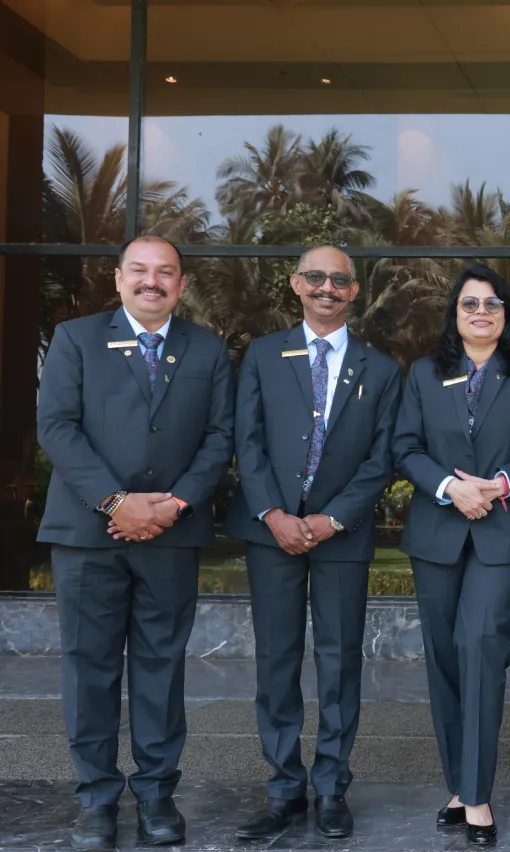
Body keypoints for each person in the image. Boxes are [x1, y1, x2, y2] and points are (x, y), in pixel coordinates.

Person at [36, 235, 235, 850]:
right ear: (118, 278)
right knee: (89, 668)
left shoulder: (208, 348)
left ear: (181, 283)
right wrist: (115, 501)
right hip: (88, 534)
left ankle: (156, 794)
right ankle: (97, 797)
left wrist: (173, 506)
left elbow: (219, 436)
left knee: (160, 668)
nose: (153, 281)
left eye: (165, 272)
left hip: (171, 535)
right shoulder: (74, 339)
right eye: (140, 270)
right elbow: (56, 427)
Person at [226, 246, 402, 840]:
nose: (327, 287)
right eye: (316, 277)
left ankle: (331, 787)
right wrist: (273, 513)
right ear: (296, 284)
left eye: (339, 280)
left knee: (340, 661)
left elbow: (382, 458)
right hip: (270, 532)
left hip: (341, 536)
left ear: (354, 291)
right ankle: (283, 788)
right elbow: (246, 440)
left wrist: (335, 518)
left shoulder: (381, 370)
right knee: (276, 661)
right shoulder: (262, 354)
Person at [393, 263, 510, 846]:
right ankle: (459, 786)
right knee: (444, 659)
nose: (481, 313)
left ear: (506, 315)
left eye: (492, 304)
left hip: (502, 531)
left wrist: (501, 484)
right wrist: (449, 487)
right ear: (455, 314)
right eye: (470, 304)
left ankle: (479, 794)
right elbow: (405, 448)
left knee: (481, 646)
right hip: (437, 533)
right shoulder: (423, 374)